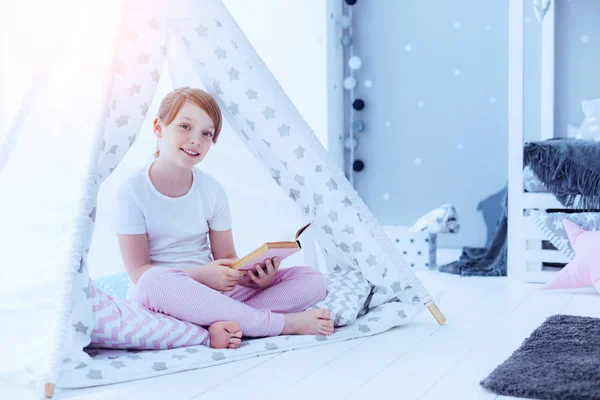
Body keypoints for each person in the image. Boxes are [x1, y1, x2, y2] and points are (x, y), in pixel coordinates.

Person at [115, 87, 333, 350]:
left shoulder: (212, 190)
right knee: (152, 282)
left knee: (311, 279)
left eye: (206, 134)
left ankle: (218, 323)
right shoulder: (133, 191)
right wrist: (201, 276)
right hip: (165, 296)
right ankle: (281, 324)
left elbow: (228, 259)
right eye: (185, 126)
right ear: (159, 128)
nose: (195, 139)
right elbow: (139, 272)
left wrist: (254, 277)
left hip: (214, 292)